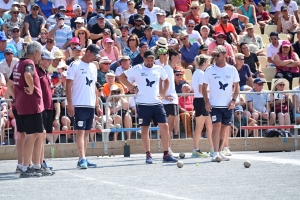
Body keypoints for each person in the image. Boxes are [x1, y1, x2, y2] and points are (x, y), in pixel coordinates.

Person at [119, 50, 178, 164]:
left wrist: (163, 94)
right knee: (145, 128)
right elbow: (122, 77)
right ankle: (148, 154)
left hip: (157, 103)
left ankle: (166, 153)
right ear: (144, 59)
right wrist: (132, 87)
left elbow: (166, 81)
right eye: (148, 60)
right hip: (143, 103)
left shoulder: (158, 68)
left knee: (165, 126)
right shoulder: (137, 68)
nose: (150, 62)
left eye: (152, 60)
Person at [7, 41, 46, 177]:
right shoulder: (29, 64)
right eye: (40, 54)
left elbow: (9, 84)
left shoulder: (18, 63)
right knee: (31, 135)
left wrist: (16, 96)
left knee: (36, 134)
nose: (40, 57)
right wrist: (30, 88)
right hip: (31, 105)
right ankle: (25, 167)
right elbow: (28, 75)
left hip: (23, 105)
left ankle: (35, 165)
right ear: (36, 53)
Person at [66, 44, 101, 169]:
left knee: (86, 132)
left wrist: (97, 105)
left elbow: (94, 87)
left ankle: (84, 157)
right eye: (95, 55)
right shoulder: (74, 65)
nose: (96, 58)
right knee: (80, 131)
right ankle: (81, 158)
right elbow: (68, 85)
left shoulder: (93, 67)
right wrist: (70, 103)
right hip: (79, 103)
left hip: (90, 104)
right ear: (88, 52)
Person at [202, 45, 240, 162]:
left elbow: (236, 87)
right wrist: (207, 101)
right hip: (215, 104)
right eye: (214, 55)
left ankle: (220, 151)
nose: (216, 57)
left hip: (227, 104)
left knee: (224, 128)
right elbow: (204, 87)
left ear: (225, 55)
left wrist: (233, 100)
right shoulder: (209, 69)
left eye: (218, 55)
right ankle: (215, 152)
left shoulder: (232, 69)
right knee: (216, 126)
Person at [37, 50, 57, 174]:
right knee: (40, 135)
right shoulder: (37, 72)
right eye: (47, 59)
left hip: (48, 107)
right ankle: (39, 161)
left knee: (43, 136)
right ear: (41, 60)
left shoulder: (46, 73)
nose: (50, 61)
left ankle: (41, 161)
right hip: (41, 107)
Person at [192, 54, 213, 157]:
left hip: (201, 100)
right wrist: (212, 90)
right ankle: (196, 150)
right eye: (208, 62)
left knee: (209, 126)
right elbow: (201, 90)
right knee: (199, 127)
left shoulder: (197, 72)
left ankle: (213, 148)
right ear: (204, 63)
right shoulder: (201, 73)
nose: (209, 64)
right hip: (201, 101)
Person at [162, 49, 180, 153]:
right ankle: (167, 149)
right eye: (178, 57)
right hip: (168, 102)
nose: (180, 59)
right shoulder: (167, 69)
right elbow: (160, 83)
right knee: (168, 128)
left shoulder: (170, 69)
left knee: (170, 126)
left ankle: (168, 148)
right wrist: (163, 96)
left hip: (172, 101)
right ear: (173, 57)